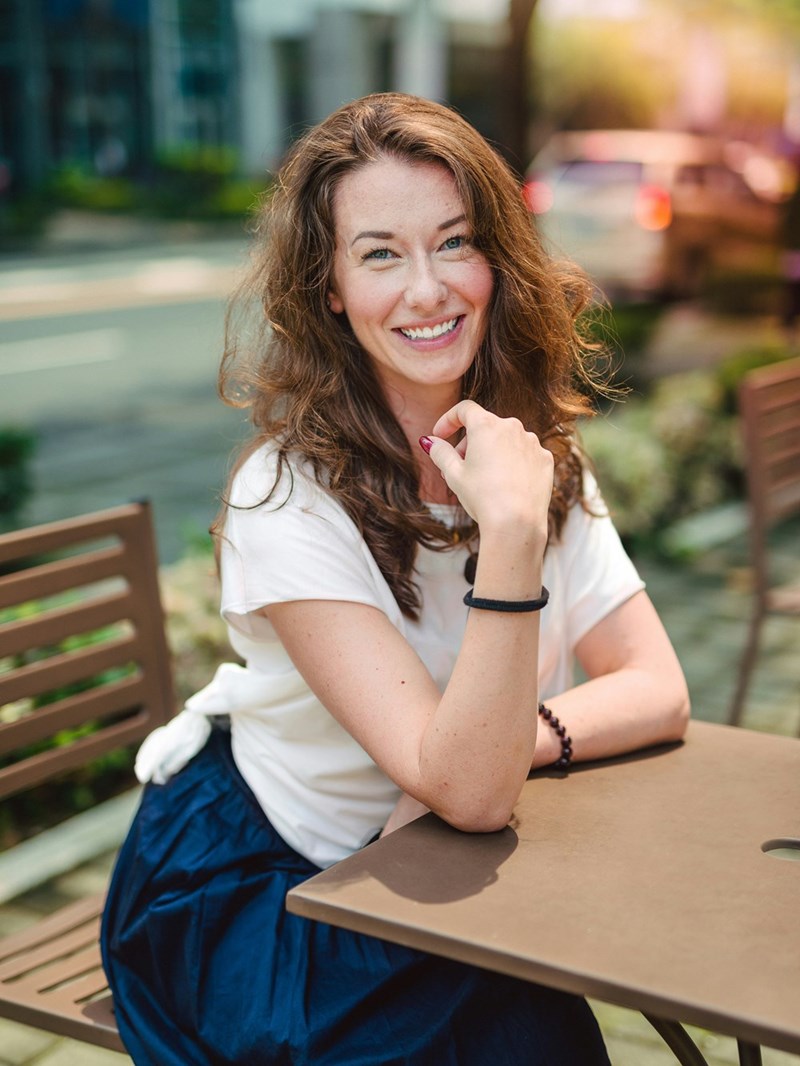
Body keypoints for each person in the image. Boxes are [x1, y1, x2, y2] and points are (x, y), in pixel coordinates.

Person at [101, 92, 690, 1065]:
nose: (426, 290)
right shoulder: (283, 498)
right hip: (269, 887)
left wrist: (519, 740)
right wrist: (505, 538)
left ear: (496, 261)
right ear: (330, 285)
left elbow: (655, 685)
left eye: (454, 242)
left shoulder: (524, 451)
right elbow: (464, 791)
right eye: (379, 253)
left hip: (435, 864)